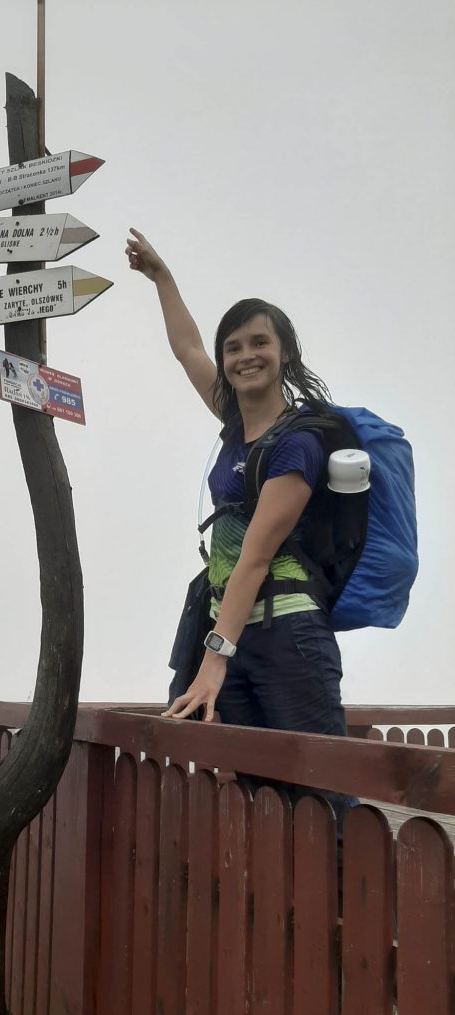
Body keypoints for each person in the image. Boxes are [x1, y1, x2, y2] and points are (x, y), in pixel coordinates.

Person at [125, 227, 355, 821]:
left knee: (322, 795)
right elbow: (187, 350)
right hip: (237, 632)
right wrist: (162, 277)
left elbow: (255, 556)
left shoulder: (297, 444)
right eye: (235, 347)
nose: (244, 356)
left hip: (290, 637)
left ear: (285, 354)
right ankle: (288, 911)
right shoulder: (234, 423)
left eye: (259, 343)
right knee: (265, 801)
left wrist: (213, 660)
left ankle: (344, 907)